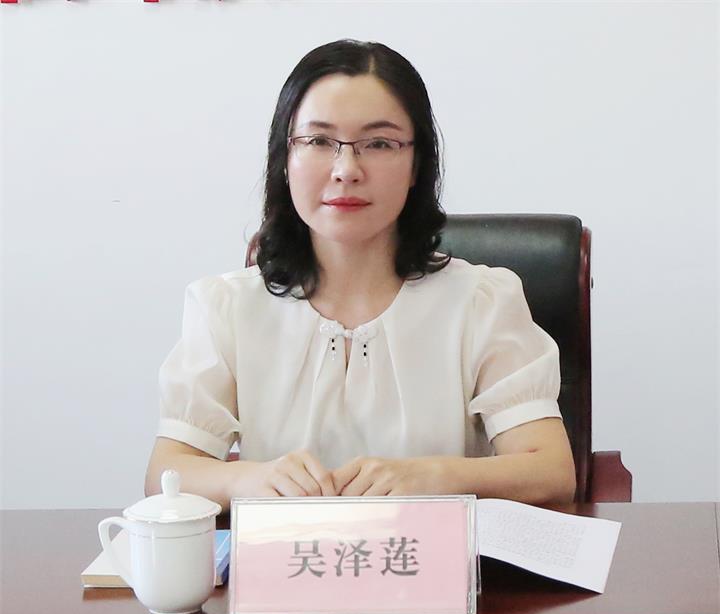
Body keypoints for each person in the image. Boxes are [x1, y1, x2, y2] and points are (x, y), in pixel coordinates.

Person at [144, 39, 576, 510]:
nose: (346, 170)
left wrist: (433, 476)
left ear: (417, 165)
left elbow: (550, 471)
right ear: (284, 159)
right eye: (318, 141)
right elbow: (167, 473)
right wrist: (246, 481)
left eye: (379, 143)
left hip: (431, 555)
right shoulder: (226, 308)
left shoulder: (481, 302)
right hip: (289, 555)